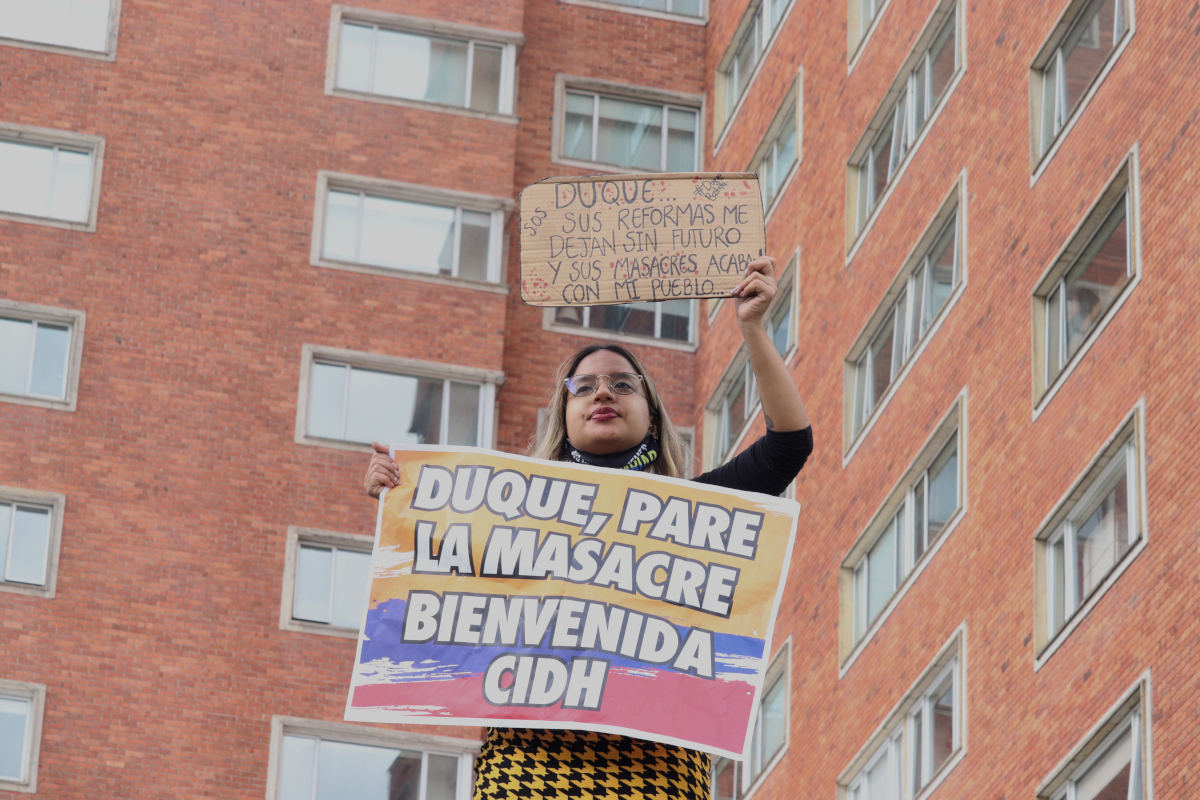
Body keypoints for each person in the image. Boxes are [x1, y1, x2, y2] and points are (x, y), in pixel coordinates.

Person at [364, 256, 813, 799]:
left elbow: (790, 444)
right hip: (527, 770)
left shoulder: (697, 512)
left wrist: (752, 328)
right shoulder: (500, 513)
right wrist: (401, 498)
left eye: (622, 384)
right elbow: (438, 600)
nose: (602, 393)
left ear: (651, 414)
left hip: (656, 773)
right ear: (565, 414)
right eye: (585, 386)